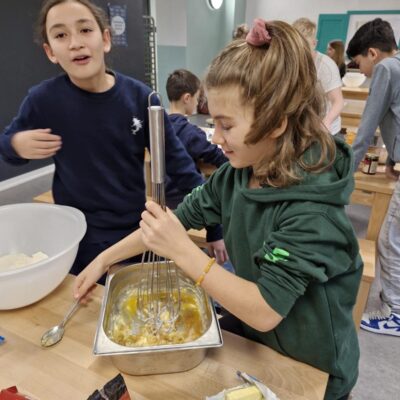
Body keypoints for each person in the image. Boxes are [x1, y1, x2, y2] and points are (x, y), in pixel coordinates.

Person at [75, 18, 363, 400]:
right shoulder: (237, 176)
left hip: (312, 366)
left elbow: (265, 309)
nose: (217, 138)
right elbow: (174, 221)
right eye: (214, 123)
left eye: (227, 126)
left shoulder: (312, 211)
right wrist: (103, 260)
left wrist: (182, 250)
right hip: (259, 346)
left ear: (276, 123)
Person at [0, 0, 222, 281]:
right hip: (77, 235)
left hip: (133, 233)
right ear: (50, 52)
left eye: (85, 30)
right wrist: (15, 144)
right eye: (61, 35)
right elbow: (6, 145)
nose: (75, 43)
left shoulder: (141, 98)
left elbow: (179, 165)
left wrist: (214, 228)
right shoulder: (43, 100)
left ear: (105, 39)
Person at [347, 18, 400, 336]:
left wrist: (346, 174)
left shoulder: (386, 69)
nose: (361, 70)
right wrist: (394, 158)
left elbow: (368, 126)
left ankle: (395, 312)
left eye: (359, 62)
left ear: (372, 53)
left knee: (388, 240)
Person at [166, 68, 229, 266]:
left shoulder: (159, 127)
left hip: (165, 198)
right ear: (187, 98)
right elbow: (215, 155)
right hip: (185, 200)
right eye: (197, 98)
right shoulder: (190, 132)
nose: (198, 102)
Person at [293, 18, 344, 137]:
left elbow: (338, 101)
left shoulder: (326, 66)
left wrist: (326, 122)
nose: (301, 53)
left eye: (305, 48)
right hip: (302, 126)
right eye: (296, 48)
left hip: (326, 128)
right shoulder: (291, 61)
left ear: (314, 43)